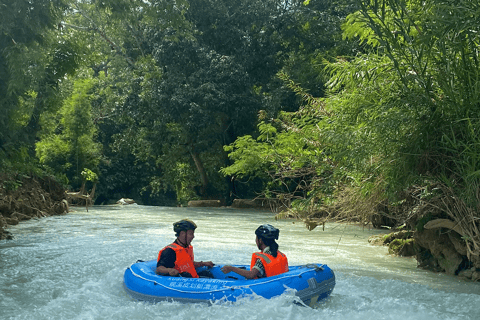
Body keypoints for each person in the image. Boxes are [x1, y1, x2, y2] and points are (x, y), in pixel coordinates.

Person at [221, 224, 288, 279]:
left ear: (260, 240)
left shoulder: (263, 258)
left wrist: (231, 268)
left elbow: (251, 275)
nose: (255, 241)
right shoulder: (279, 254)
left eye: (256, 238)